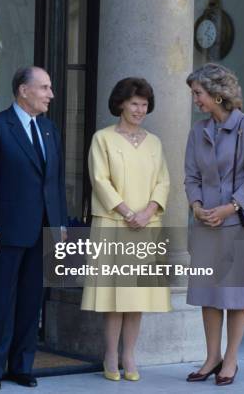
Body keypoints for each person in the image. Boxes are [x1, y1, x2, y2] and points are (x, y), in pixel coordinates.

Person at [0, 66, 68, 392]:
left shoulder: (49, 130)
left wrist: (59, 225)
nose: (50, 95)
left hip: (41, 231)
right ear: (23, 90)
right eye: (44, 88)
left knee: (31, 303)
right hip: (4, 232)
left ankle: (22, 365)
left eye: (50, 88)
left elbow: (55, 183)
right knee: (1, 303)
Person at [184, 63, 244, 386]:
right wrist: (196, 206)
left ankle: (230, 360)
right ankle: (211, 357)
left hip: (240, 223)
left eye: (198, 94)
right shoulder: (198, 132)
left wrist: (230, 207)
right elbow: (190, 176)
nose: (195, 100)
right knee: (208, 292)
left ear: (218, 95)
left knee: (236, 294)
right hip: (205, 223)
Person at [80, 77, 171, 382]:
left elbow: (163, 182)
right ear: (120, 103)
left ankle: (129, 354)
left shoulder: (155, 142)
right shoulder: (102, 138)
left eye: (144, 104)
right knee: (114, 298)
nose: (139, 109)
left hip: (146, 226)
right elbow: (99, 179)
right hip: (113, 223)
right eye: (134, 103)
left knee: (137, 297)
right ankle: (110, 354)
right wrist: (127, 211)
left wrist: (147, 212)